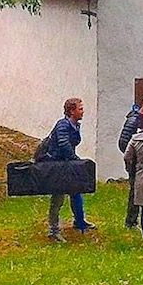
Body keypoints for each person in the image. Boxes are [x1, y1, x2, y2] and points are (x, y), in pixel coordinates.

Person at [47, 97, 97, 242]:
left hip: (67, 163)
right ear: (71, 111)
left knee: (76, 191)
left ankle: (80, 221)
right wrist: (75, 159)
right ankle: (53, 230)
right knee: (58, 197)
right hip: (57, 165)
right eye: (80, 109)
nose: (83, 111)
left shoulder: (75, 125)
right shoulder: (63, 125)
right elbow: (63, 144)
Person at [120, 99, 143, 229]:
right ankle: (131, 221)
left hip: (139, 161)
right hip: (135, 162)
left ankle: (133, 220)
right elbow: (123, 142)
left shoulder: (138, 119)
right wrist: (135, 155)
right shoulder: (134, 121)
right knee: (135, 191)